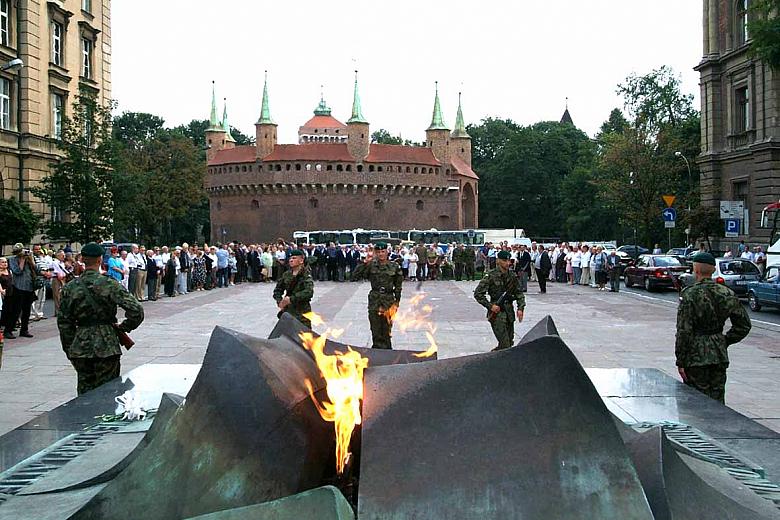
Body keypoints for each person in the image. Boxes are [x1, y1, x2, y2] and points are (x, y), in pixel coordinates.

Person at [57, 243, 144, 395]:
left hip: (81, 345)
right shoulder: (109, 283)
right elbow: (136, 310)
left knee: (84, 395)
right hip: (107, 344)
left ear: (83, 259)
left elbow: (64, 323)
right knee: (108, 393)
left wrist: (70, 348)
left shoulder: (69, 288)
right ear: (100, 260)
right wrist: (123, 327)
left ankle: (84, 418)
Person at [675, 252, 752, 404]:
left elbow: (684, 331)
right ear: (713, 270)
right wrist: (724, 340)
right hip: (718, 354)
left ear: (696, 270)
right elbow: (744, 325)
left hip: (695, 357)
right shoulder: (727, 293)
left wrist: (680, 361)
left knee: (696, 403)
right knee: (717, 402)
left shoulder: (690, 294)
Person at [351, 242, 404, 349]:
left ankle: (388, 353)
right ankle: (376, 352)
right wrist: (365, 262)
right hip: (375, 301)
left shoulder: (394, 266)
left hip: (388, 301)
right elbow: (354, 276)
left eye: (383, 252)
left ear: (387, 252)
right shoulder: (371, 265)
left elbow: (398, 287)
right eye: (378, 252)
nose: (381, 254)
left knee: (386, 330)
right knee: (375, 330)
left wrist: (396, 303)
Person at [474, 250, 525, 351]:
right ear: (498, 261)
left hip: (509, 313)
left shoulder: (512, 276)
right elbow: (478, 294)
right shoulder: (491, 276)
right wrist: (490, 306)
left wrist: (520, 308)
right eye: (504, 260)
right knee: (505, 344)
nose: (507, 263)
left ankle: (495, 355)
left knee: (509, 342)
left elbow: (519, 293)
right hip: (497, 314)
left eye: (508, 260)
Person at [273, 249, 315, 328]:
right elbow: (278, 290)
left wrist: (291, 299)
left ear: (301, 260)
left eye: (294, 258)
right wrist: (280, 302)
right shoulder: (286, 274)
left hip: (302, 312)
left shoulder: (305, 274)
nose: (291, 260)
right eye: (290, 258)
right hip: (288, 312)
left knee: (304, 336)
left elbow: (309, 292)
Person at [3, 244, 36, 339]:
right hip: (18, 287)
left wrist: (31, 259)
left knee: (27, 311)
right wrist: (22, 260)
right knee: (15, 311)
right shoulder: (13, 260)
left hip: (29, 287)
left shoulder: (29, 259)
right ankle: (8, 330)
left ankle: (24, 330)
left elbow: (36, 269)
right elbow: (17, 271)